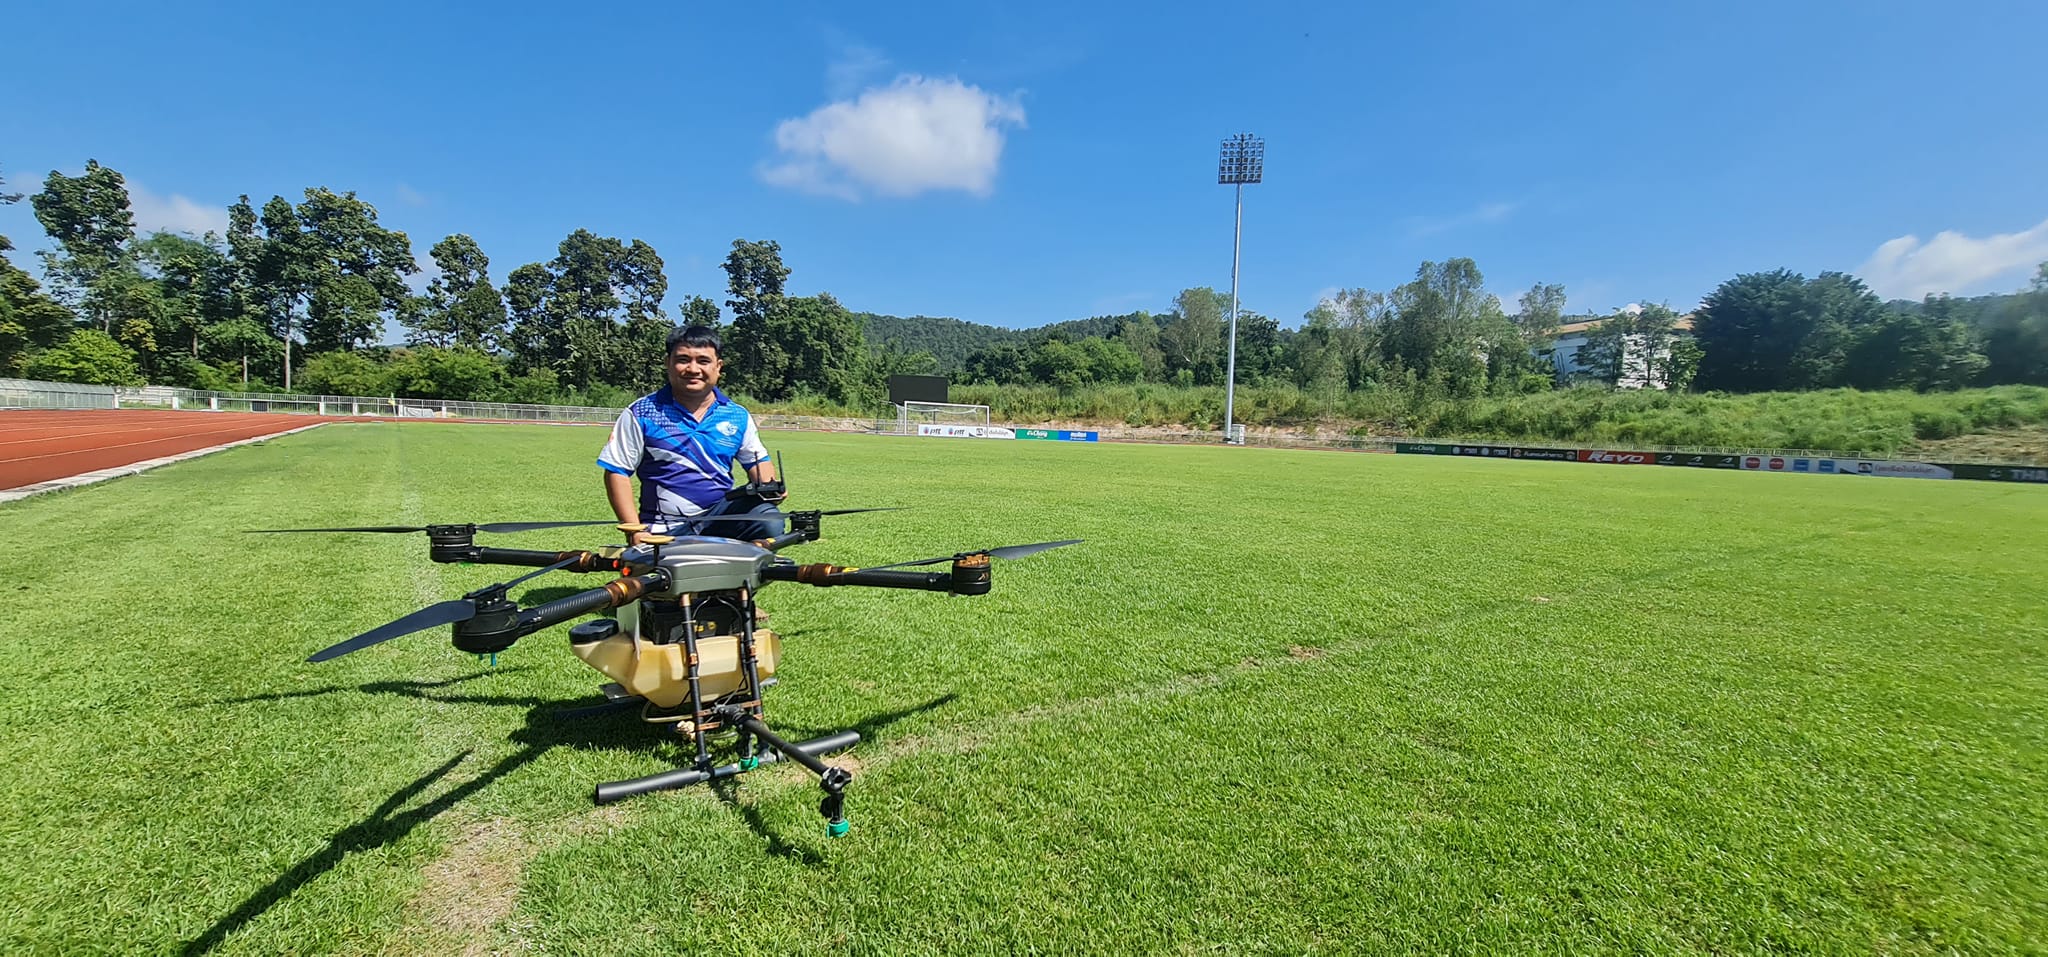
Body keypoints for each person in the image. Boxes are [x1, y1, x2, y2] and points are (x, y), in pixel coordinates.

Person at [598, 324, 785, 546]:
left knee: (769, 519)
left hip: (720, 518)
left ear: (718, 367)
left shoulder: (737, 415)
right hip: (662, 528)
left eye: (703, 361)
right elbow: (617, 471)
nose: (693, 369)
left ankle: (741, 563)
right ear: (668, 363)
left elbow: (758, 462)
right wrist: (635, 531)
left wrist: (769, 487)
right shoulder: (641, 412)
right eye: (683, 360)